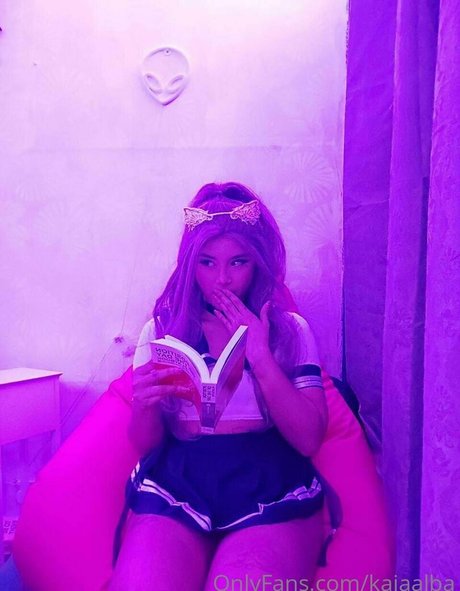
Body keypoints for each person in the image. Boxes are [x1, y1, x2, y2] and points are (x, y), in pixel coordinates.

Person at [109, 182, 331, 591]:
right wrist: (144, 405)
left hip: (266, 478)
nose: (222, 279)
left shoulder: (290, 330)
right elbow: (144, 444)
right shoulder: (161, 330)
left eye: (238, 263)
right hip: (179, 479)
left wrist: (260, 357)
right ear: (190, 264)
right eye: (207, 263)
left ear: (258, 264)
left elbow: (308, 440)